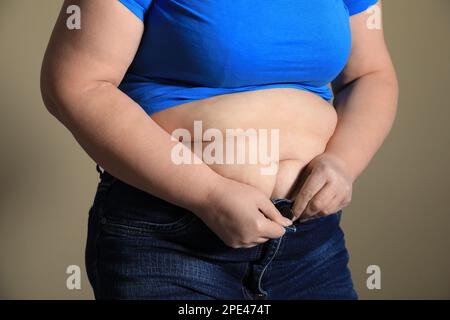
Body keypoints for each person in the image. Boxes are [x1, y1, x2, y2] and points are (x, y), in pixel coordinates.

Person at [41, 0, 398, 299]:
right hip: (171, 238)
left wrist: (343, 163)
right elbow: (74, 84)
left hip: (307, 240)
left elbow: (370, 75)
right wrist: (208, 194)